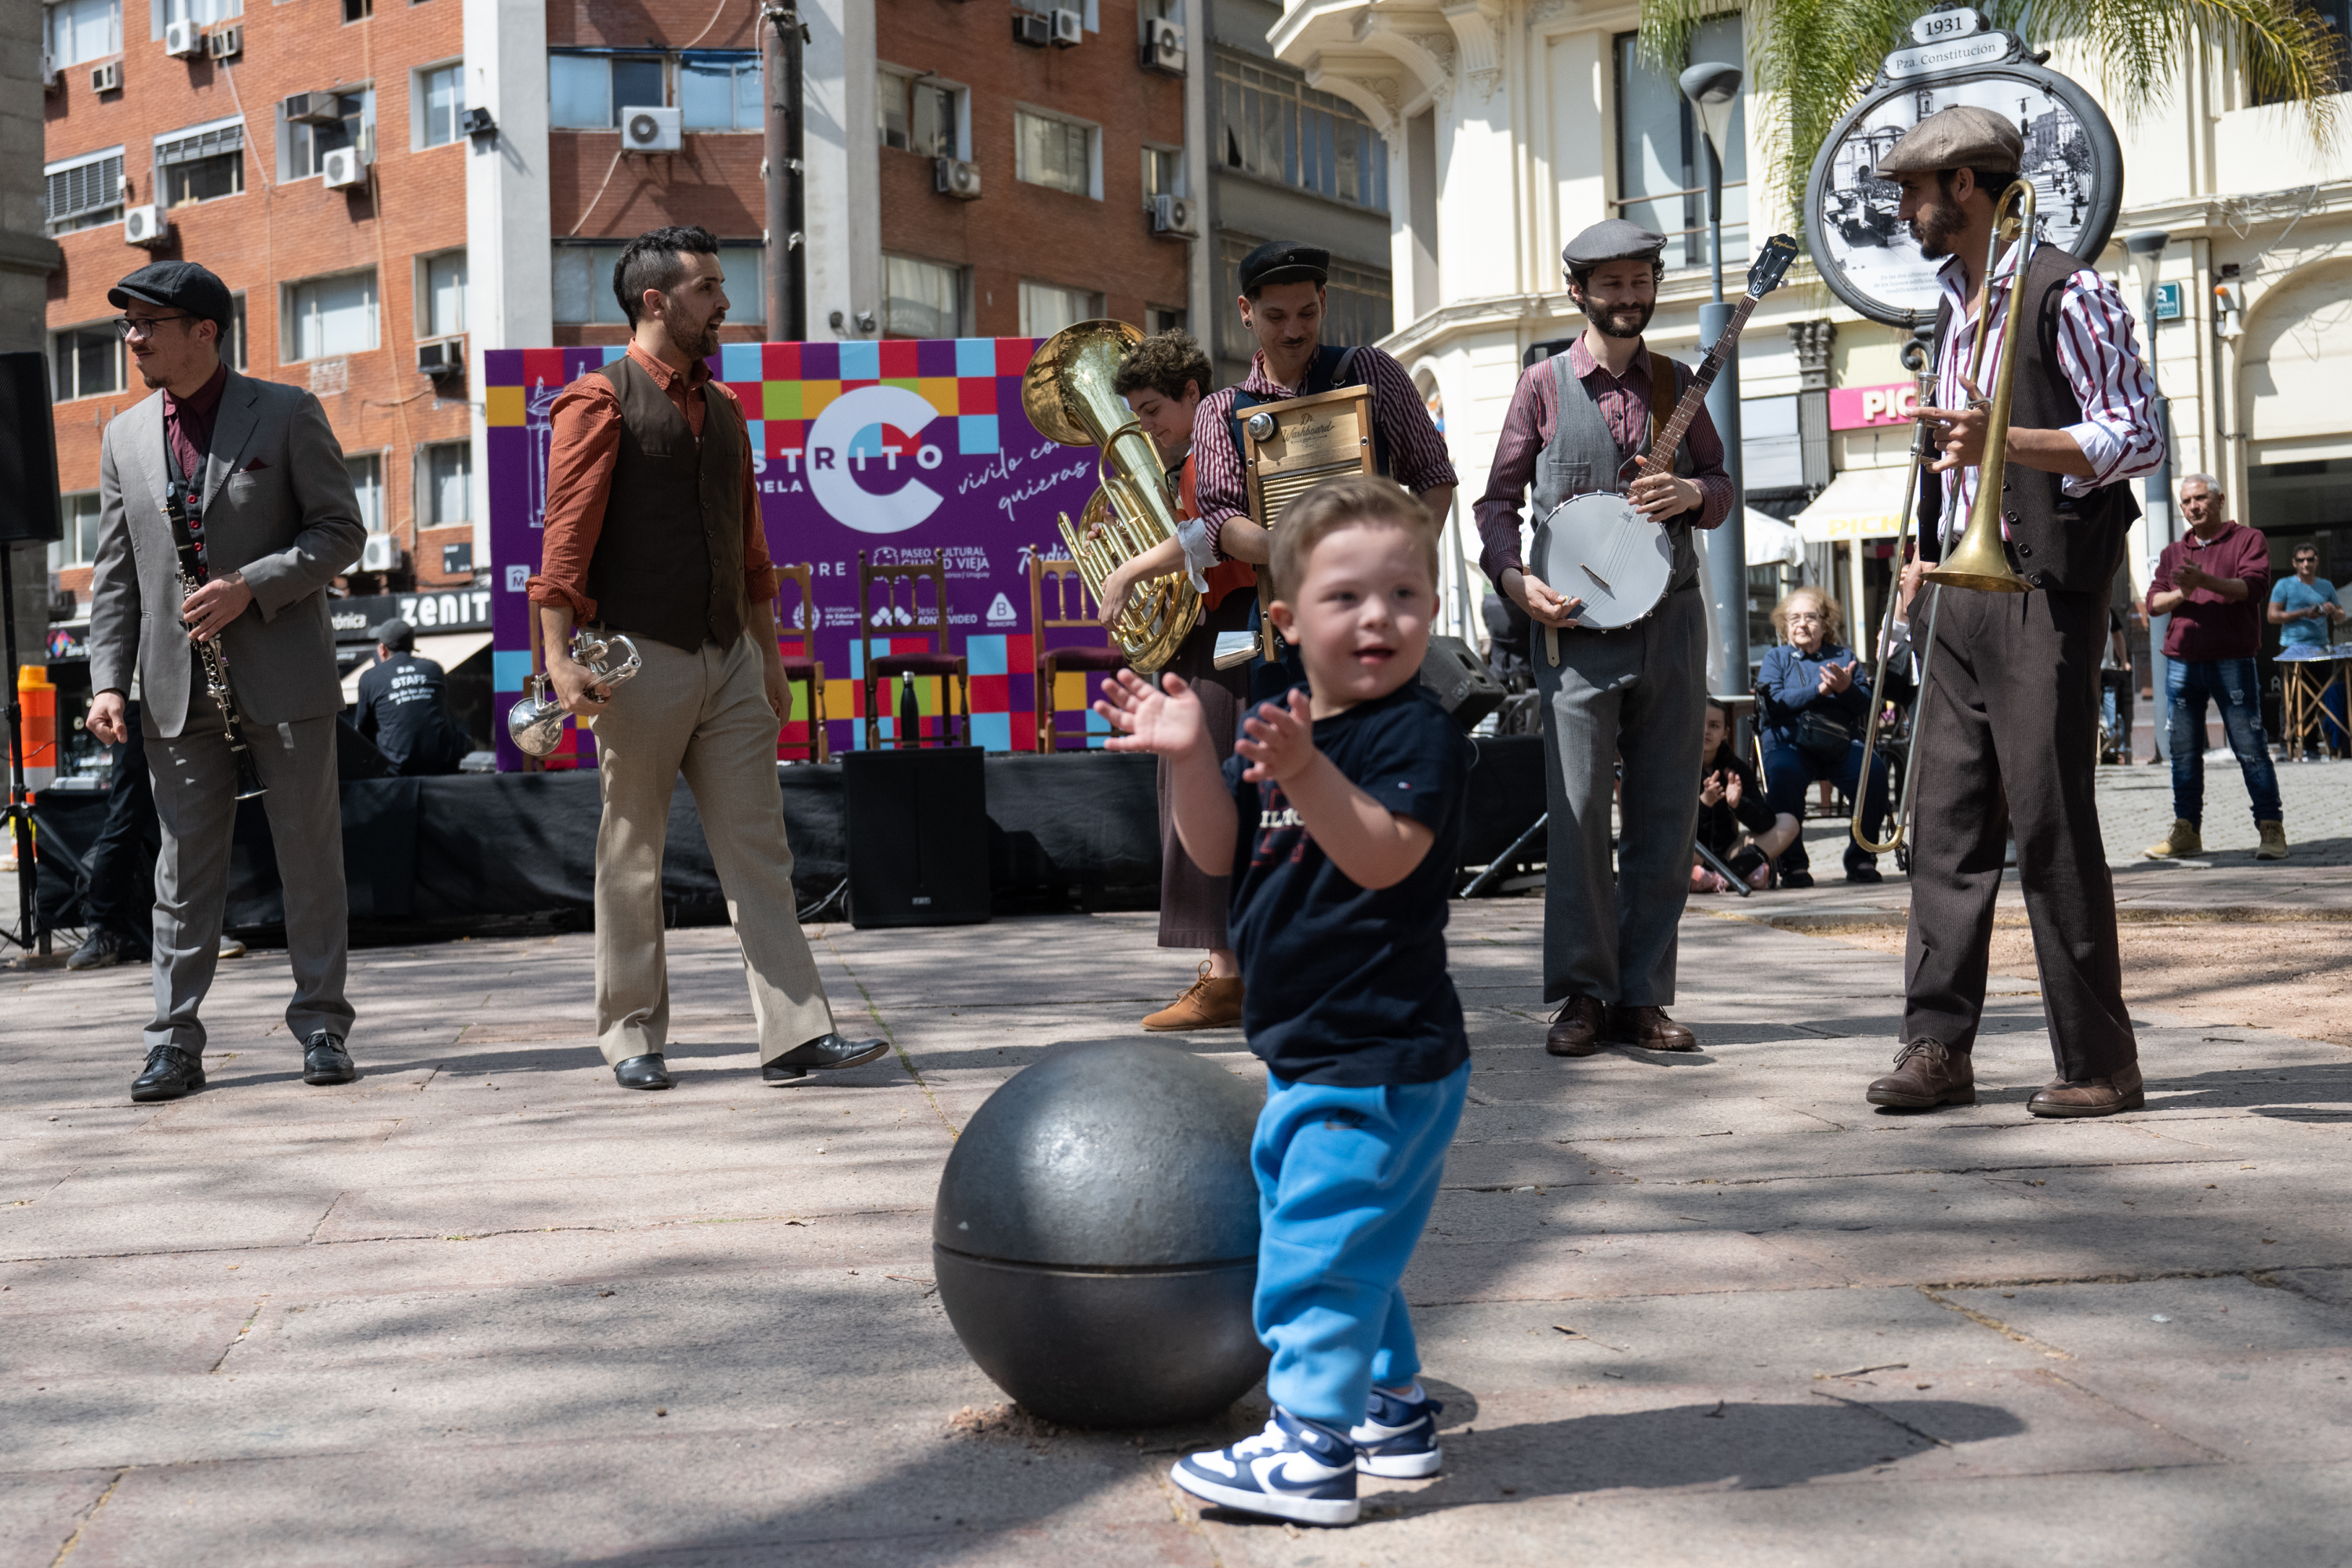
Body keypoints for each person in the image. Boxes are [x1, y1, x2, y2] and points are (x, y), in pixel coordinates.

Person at [1096, 476, 1470, 1528]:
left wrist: (1305, 774)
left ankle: (1309, 1452)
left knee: (1316, 1250)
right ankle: (1391, 1411)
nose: (1378, 618)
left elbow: (1385, 857)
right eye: (1346, 597)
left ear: (1434, 611)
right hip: (1313, 1051)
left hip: (1381, 1055)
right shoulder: (1278, 718)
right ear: (1285, 620)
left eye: (1404, 594)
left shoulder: (1415, 735)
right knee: (1353, 1242)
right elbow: (1218, 854)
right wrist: (1185, 762)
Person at [528, 226, 884, 1091]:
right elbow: (564, 543)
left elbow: (750, 549)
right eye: (708, 289)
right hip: (637, 658)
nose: (726, 303)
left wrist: (767, 659)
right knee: (632, 849)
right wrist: (557, 661)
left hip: (728, 657)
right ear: (655, 300)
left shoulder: (725, 408)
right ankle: (631, 1037)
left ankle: (795, 1034)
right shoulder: (596, 399)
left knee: (760, 848)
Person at [1864, 106, 2165, 1120]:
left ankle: (2099, 1062)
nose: (1905, 210)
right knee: (1943, 827)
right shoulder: (1955, 305)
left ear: (1967, 187)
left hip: (2044, 584)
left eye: (1916, 190)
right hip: (1961, 587)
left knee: (2049, 823)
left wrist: (2009, 437)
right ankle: (1936, 1046)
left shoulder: (2067, 292)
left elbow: (2136, 434)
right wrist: (1930, 551)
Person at [83, 260, 368, 1102]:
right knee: (181, 872)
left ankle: (322, 1023)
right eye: (126, 325)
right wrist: (107, 681)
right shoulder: (122, 436)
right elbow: (115, 577)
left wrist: (255, 583)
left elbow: (341, 530)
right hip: (173, 690)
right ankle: (173, 1041)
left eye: (147, 324)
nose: (132, 339)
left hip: (286, 674)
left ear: (204, 330)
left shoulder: (286, 411)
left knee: (310, 859)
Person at [1474, 219, 1735, 1058]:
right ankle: (1582, 995)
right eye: (1612, 284)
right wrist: (1516, 582)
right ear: (1578, 291)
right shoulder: (1542, 386)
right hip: (1574, 629)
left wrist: (1690, 494)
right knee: (1579, 812)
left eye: (1641, 281)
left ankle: (1644, 997)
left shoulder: (1679, 381)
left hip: (1673, 620)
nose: (1630, 297)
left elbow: (1723, 484)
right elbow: (1494, 502)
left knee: (1666, 811)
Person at [1186, 240, 1457, 699]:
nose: (1294, 330)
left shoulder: (1373, 372)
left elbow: (1433, 477)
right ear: (1245, 310)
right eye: (1276, 317)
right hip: (1283, 625)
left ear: (1325, 302)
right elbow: (1221, 522)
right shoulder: (1219, 411)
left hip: (1376, 620)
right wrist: (1296, 551)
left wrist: (1402, 563)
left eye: (1307, 313)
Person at [1083, 330, 1252, 1031]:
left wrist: (1128, 568)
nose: (1141, 428)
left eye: (1151, 411)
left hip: (1232, 630)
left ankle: (1227, 974)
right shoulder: (1181, 455)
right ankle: (1228, 966)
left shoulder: (1218, 445)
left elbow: (1209, 536)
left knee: (1199, 789)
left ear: (1192, 396)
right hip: (1209, 632)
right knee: (1191, 788)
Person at [2143, 474, 2288, 862]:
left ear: (2220, 499)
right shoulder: (2174, 552)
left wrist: (2205, 580)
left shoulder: (2247, 540)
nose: (2193, 507)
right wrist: (2182, 593)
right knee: (2183, 751)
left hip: (2232, 658)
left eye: (2201, 498)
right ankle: (2186, 831)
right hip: (2181, 661)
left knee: (2250, 746)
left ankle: (2271, 828)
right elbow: (2153, 603)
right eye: (2187, 501)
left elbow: (2253, 589)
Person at [1755, 586, 1891, 886]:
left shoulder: (1843, 656)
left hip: (1838, 740)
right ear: (1785, 625)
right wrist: (1818, 691)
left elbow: (1868, 705)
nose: (1801, 624)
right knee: (1783, 775)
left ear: (1825, 622)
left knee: (1873, 773)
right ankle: (1794, 864)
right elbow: (1774, 703)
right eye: (1794, 618)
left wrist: (1846, 688)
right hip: (1788, 741)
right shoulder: (1776, 658)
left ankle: (1862, 858)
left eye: (1810, 617)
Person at [1693, 698, 1796, 893]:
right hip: (1694, 853)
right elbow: (1668, 825)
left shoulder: (1736, 768)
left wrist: (1738, 804)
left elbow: (1765, 823)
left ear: (1725, 733)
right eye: (1700, 723)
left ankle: (1722, 878)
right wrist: (1704, 803)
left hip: (1729, 852)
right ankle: (1742, 875)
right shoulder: (1676, 767)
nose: (1706, 731)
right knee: (1673, 844)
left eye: (1714, 726)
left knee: (1788, 822)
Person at [354, 618, 470, 776]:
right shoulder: (433, 668)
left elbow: (362, 730)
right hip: (441, 765)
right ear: (412, 646)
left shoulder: (370, 677)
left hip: (395, 771)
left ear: (382, 649)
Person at [2268, 541, 2347, 760]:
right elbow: (2272, 616)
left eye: (2310, 559)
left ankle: (2313, 746)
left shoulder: (2326, 586)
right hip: (2292, 647)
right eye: (2302, 560)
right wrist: (2302, 613)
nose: (2306, 564)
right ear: (2294, 563)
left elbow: (2341, 616)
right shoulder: (2284, 585)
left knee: (2319, 697)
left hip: (2320, 648)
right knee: (2291, 698)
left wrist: (2332, 611)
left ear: (2317, 561)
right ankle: (2287, 746)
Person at [2100, 565, 2136, 764]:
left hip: (2108, 668)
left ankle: (2116, 749)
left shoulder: (2108, 611)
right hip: (2088, 670)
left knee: (2111, 709)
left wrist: (2124, 661)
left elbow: (2118, 636)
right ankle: (2100, 749)